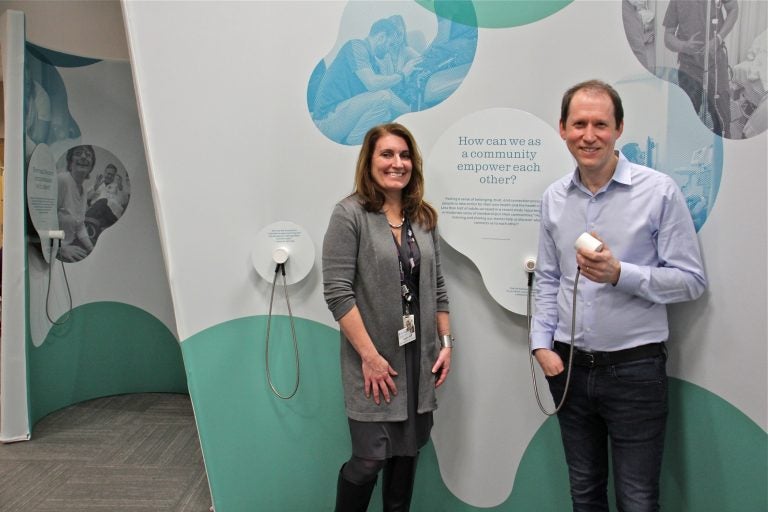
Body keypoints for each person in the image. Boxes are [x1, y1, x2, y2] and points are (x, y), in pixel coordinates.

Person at [530, 80, 707, 511]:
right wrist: (540, 343)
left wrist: (619, 273)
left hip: (635, 370)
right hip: (569, 369)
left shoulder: (658, 191)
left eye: (600, 124)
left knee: (638, 499)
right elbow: (548, 278)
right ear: (563, 129)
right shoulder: (554, 198)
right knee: (585, 494)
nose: (589, 135)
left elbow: (691, 280)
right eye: (579, 124)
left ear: (619, 129)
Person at [323, 123, 453, 511]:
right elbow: (337, 293)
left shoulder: (423, 218)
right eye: (387, 154)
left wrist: (445, 344)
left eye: (405, 155)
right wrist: (370, 357)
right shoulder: (350, 215)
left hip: (418, 358)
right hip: (373, 360)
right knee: (368, 461)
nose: (397, 163)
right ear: (370, 161)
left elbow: (439, 288)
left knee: (407, 455)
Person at [312, 19, 420, 145]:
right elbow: (373, 84)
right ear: (381, 37)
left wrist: (411, 112)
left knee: (385, 110)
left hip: (339, 117)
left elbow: (388, 93)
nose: (389, 51)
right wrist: (402, 74)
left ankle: (356, 139)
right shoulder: (356, 46)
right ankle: (355, 142)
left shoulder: (372, 63)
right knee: (383, 97)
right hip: (327, 119)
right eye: (389, 45)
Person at [663, 0, 739, 138]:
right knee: (688, 116)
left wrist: (718, 39)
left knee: (722, 115)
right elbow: (668, 37)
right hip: (689, 65)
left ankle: (725, 149)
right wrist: (684, 46)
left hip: (716, 63)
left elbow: (733, 9)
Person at [57, 145, 96, 262]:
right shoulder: (62, 180)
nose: (84, 157)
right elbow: (43, 222)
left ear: (91, 166)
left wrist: (91, 248)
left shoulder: (83, 188)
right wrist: (61, 248)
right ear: (70, 162)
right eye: (78, 153)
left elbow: (79, 226)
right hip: (55, 248)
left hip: (71, 242)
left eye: (88, 155)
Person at [86, 163, 128, 233]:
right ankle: (89, 227)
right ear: (104, 173)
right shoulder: (98, 185)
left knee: (103, 201)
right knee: (98, 223)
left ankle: (85, 219)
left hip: (112, 215)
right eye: (108, 173)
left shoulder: (117, 187)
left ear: (114, 176)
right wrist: (95, 186)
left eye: (112, 175)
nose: (109, 176)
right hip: (98, 214)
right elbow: (86, 197)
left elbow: (124, 201)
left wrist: (120, 188)